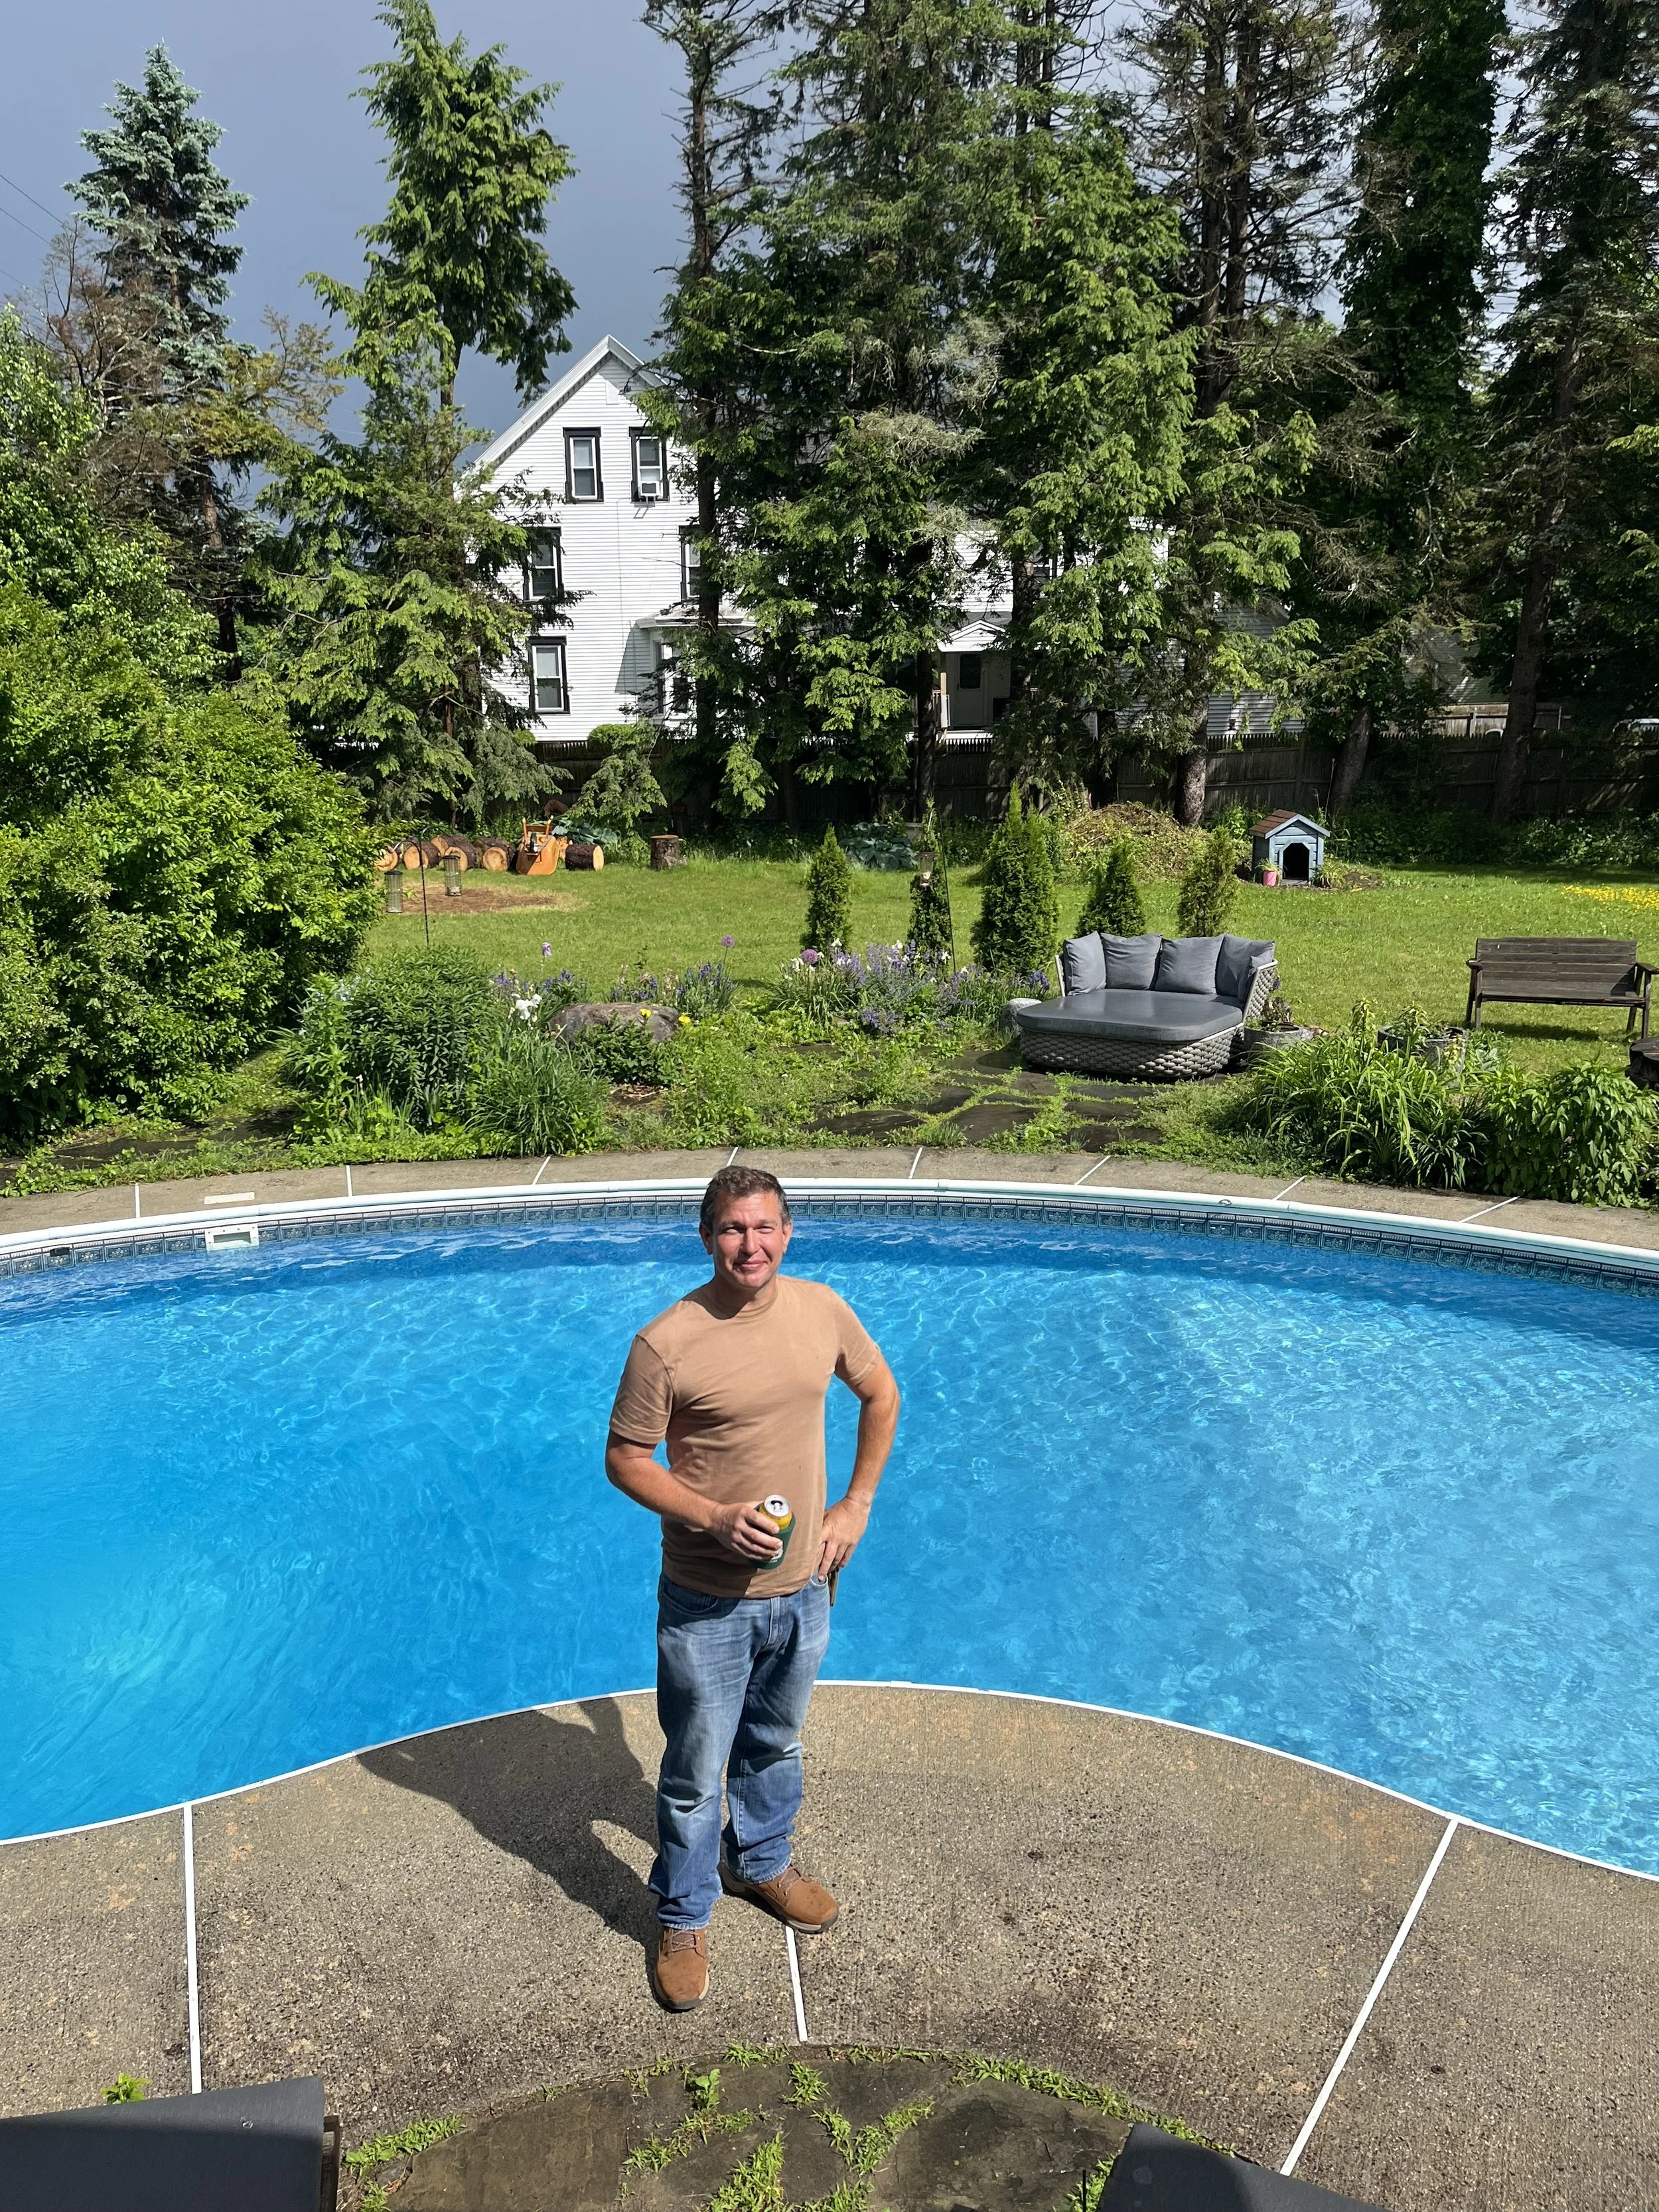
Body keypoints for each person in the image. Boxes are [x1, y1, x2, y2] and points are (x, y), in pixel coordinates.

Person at [605, 1165, 901, 2012]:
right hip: (708, 1599)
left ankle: (762, 1863)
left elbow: (881, 1394)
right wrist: (708, 1515)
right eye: (734, 1229)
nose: (751, 1245)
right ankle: (684, 1912)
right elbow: (624, 1460)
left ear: (788, 1231)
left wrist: (856, 1505)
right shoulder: (667, 1342)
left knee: (774, 1743)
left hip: (806, 1585)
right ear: (706, 1237)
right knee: (697, 1773)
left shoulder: (820, 1310)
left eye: (766, 1227)